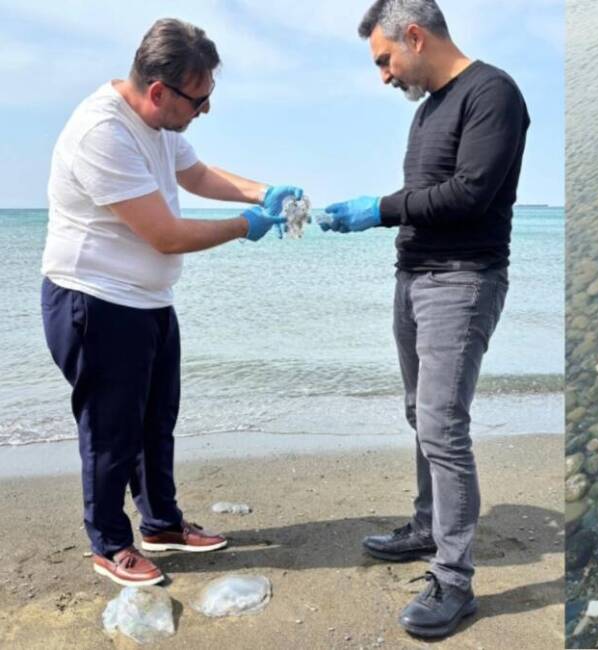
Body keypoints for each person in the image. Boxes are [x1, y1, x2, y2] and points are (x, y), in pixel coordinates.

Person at [40, 18, 302, 587]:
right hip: (94, 300)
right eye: (199, 101)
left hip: (148, 301)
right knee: (112, 430)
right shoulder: (101, 133)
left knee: (157, 418)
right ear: (160, 92)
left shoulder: (158, 121)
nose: (204, 111)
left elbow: (197, 173)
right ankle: (110, 543)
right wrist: (244, 226)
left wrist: (264, 192)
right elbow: (166, 235)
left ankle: (160, 523)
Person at [322, 0, 530, 638]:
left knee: (443, 427)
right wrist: (386, 222)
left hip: (462, 282)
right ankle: (425, 526)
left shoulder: (492, 93)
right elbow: (427, 200)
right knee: (420, 413)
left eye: (385, 59)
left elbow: (471, 193)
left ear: (414, 36)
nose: (384, 75)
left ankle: (456, 581)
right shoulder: (428, 109)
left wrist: (379, 208)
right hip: (413, 279)